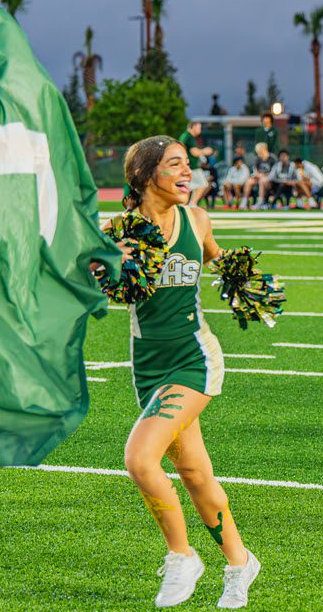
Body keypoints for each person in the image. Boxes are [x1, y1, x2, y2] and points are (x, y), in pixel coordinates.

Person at [113, 136, 259, 608]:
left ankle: (182, 556)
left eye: (187, 163)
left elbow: (215, 255)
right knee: (194, 473)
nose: (186, 172)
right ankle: (240, 563)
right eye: (174, 164)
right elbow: (91, 280)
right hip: (147, 366)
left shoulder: (196, 219)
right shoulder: (119, 231)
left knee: (140, 459)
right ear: (145, 175)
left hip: (195, 357)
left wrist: (247, 286)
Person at [177, 121, 215, 206]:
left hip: (186, 166)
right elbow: (194, 152)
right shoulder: (189, 137)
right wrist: (205, 151)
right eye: (199, 128)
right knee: (202, 184)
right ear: (193, 127)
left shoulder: (184, 135)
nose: (200, 130)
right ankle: (192, 204)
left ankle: (186, 205)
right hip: (191, 167)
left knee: (188, 187)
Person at [243, 143, 274, 210]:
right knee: (249, 181)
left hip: (269, 180)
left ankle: (260, 202)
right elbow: (256, 171)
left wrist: (263, 175)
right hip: (259, 177)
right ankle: (244, 201)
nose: (258, 153)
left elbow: (273, 172)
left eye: (259, 151)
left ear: (264, 149)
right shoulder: (258, 159)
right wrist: (258, 175)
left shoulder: (272, 158)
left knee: (262, 180)